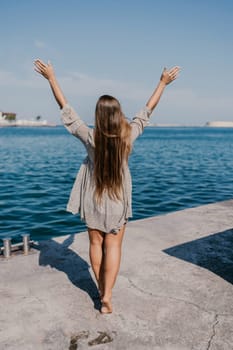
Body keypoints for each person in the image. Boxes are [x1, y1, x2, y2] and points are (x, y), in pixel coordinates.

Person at [34, 59, 180, 314]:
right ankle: (107, 297)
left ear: (99, 117)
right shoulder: (128, 137)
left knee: (95, 244)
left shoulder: (90, 138)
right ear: (118, 115)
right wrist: (162, 83)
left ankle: (100, 287)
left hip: (93, 200)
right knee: (113, 246)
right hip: (117, 202)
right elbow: (146, 111)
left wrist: (51, 78)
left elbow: (65, 108)